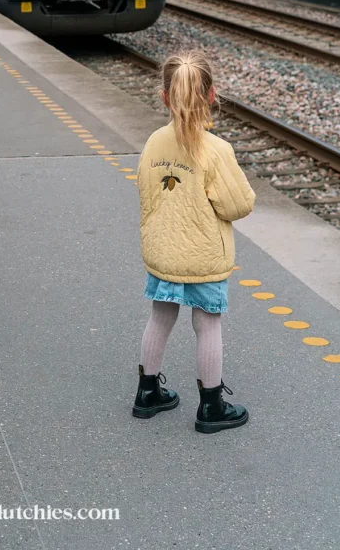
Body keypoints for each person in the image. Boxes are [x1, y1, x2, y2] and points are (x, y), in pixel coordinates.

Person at [133, 50, 255, 434]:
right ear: (211, 94)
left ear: (165, 96)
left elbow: (144, 190)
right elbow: (238, 205)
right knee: (208, 325)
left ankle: (147, 393)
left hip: (163, 251)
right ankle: (211, 406)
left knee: (160, 317)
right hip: (203, 256)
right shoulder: (216, 150)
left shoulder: (154, 142)